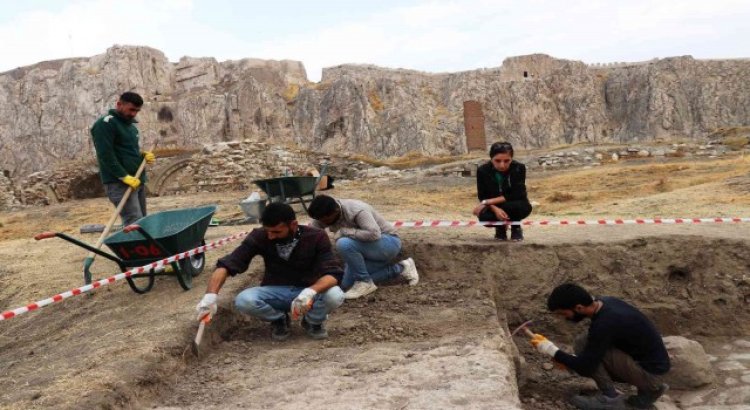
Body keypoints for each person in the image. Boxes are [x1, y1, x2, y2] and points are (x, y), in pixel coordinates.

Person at [195, 203, 345, 341]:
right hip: (277, 291)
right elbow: (227, 265)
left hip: (309, 291)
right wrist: (210, 296)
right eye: (267, 231)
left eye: (276, 231)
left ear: (293, 225)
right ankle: (279, 320)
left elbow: (333, 274)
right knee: (244, 300)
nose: (270, 236)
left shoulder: (316, 237)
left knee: (335, 294)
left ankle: (313, 321)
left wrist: (309, 292)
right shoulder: (260, 236)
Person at [530, 283, 670, 409]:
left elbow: (586, 367)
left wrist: (551, 350)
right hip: (655, 367)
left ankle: (611, 398)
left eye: (563, 313)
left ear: (578, 308)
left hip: (651, 376)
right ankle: (648, 393)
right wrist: (570, 360)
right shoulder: (606, 302)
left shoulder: (605, 323)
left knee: (584, 347)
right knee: (584, 341)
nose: (564, 318)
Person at [307, 194, 419, 300]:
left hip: (388, 243)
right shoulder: (323, 215)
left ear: (335, 211)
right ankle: (402, 268)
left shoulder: (357, 210)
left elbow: (374, 234)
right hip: (364, 249)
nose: (323, 223)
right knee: (347, 285)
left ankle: (364, 281)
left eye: (325, 220)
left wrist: (345, 231)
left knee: (343, 243)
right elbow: (313, 234)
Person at [91, 91, 156, 226]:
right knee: (134, 222)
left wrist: (141, 156)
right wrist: (123, 176)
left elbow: (126, 151)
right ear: (119, 104)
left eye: (137, 111)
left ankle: (144, 247)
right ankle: (134, 247)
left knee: (142, 221)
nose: (133, 114)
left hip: (136, 180)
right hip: (119, 183)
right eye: (131, 109)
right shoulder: (105, 124)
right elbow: (105, 154)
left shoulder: (131, 127)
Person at [473, 141, 532, 241]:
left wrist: (487, 203)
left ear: (511, 159)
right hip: (495, 205)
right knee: (484, 217)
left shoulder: (519, 168)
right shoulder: (482, 171)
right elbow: (482, 194)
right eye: (497, 160)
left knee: (516, 207)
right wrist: (495, 209)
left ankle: (516, 227)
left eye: (506, 161)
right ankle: (500, 228)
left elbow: (518, 193)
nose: (502, 165)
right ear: (491, 158)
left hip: (514, 203)